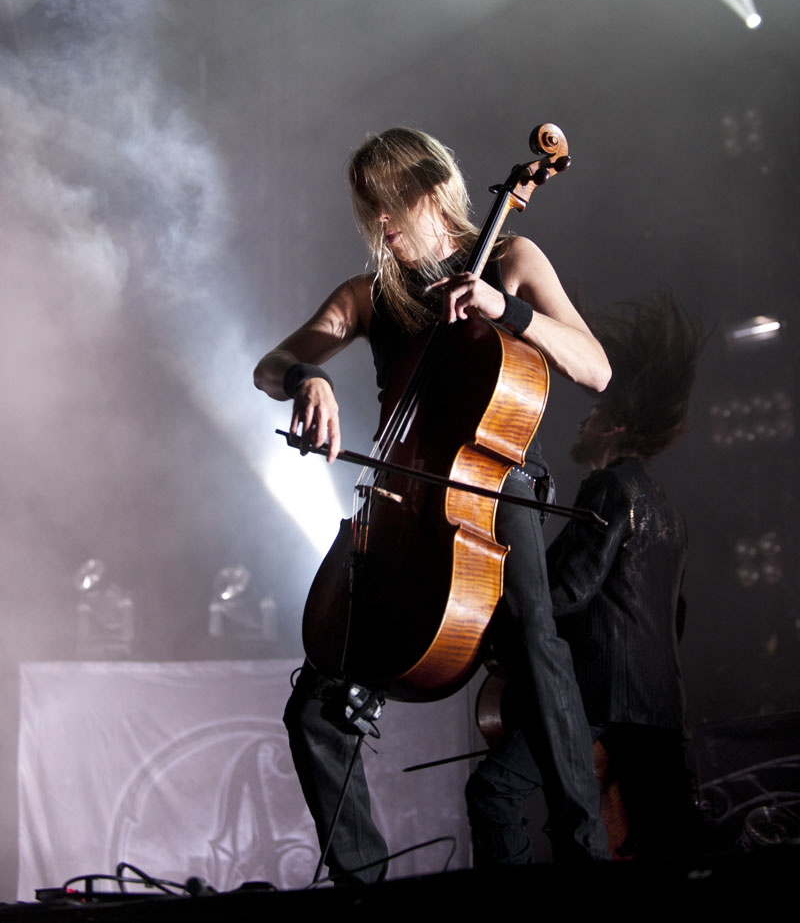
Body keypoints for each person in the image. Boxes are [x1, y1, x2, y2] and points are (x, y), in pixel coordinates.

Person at [253, 127, 611, 880]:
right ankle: (362, 883)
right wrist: (305, 381)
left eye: (389, 203)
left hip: (495, 494)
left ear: (430, 191)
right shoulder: (368, 295)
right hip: (404, 502)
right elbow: (273, 362)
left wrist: (502, 310)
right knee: (315, 708)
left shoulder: (512, 258)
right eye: (367, 208)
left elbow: (595, 368)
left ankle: (586, 852)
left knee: (537, 650)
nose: (379, 222)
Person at [545, 294, 705, 857]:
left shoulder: (609, 488)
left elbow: (569, 590)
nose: (583, 421)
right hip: (662, 708)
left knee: (509, 792)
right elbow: (673, 616)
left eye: (592, 415)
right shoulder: (670, 509)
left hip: (606, 703)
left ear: (612, 426)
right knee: (664, 840)